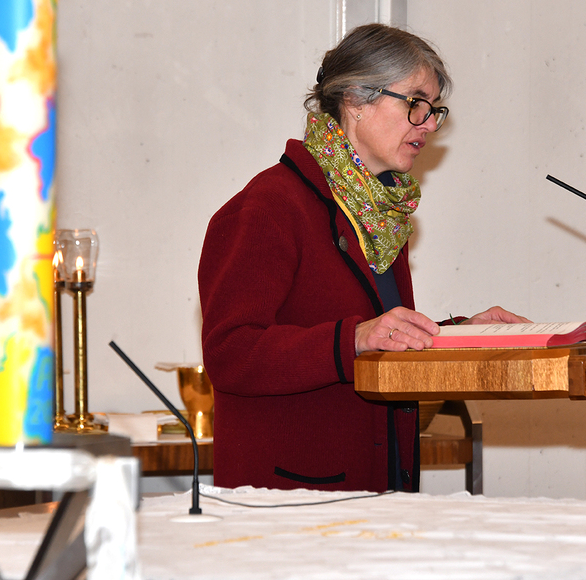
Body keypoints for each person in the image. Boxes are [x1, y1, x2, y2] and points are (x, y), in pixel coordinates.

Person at [198, 24, 528, 493]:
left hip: (380, 485)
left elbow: (377, 337)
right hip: (293, 501)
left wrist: (460, 335)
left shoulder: (379, 214)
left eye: (434, 109)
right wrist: (351, 339)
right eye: (415, 103)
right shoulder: (267, 208)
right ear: (355, 99)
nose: (428, 124)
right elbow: (230, 354)